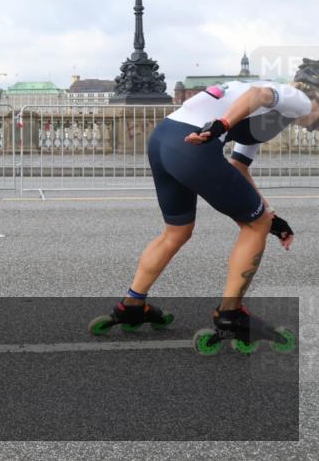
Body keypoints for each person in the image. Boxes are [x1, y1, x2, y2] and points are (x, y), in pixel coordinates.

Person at [91, 58, 319, 349]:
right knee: (254, 226)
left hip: (164, 139)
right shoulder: (298, 98)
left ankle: (132, 305)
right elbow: (257, 97)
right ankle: (231, 314)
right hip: (194, 142)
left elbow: (238, 165)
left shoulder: (268, 116)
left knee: (177, 232)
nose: (313, 126)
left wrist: (271, 216)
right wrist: (221, 125)